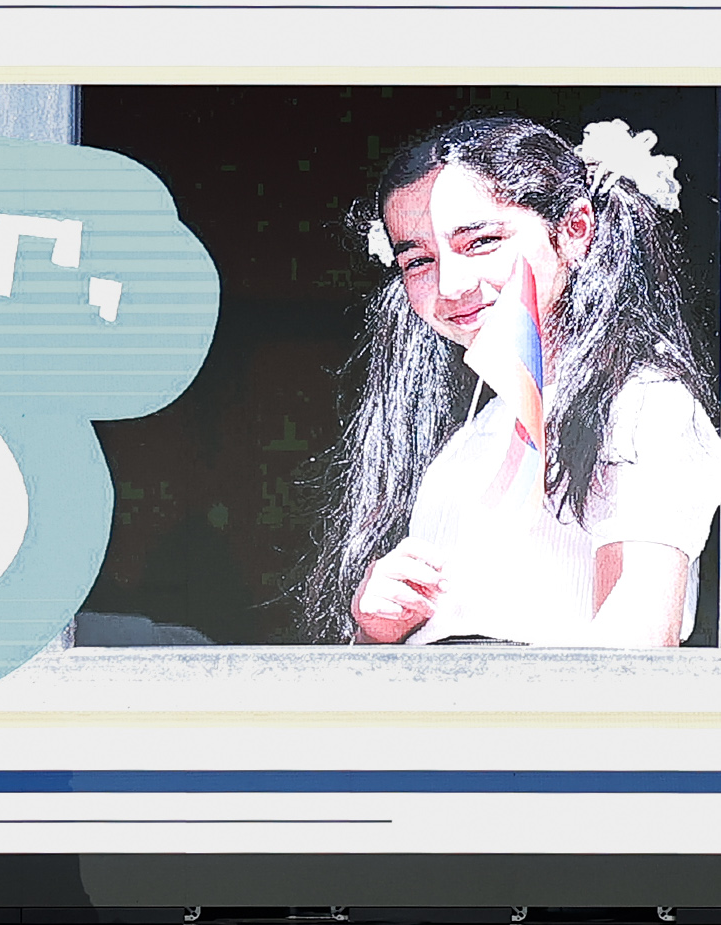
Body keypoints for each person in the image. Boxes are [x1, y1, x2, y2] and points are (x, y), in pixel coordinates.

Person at [303, 115, 721, 646]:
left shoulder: (643, 406)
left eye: (481, 242)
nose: (451, 285)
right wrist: (378, 632)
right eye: (418, 261)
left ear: (575, 229)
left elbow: (635, 644)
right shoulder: (468, 433)